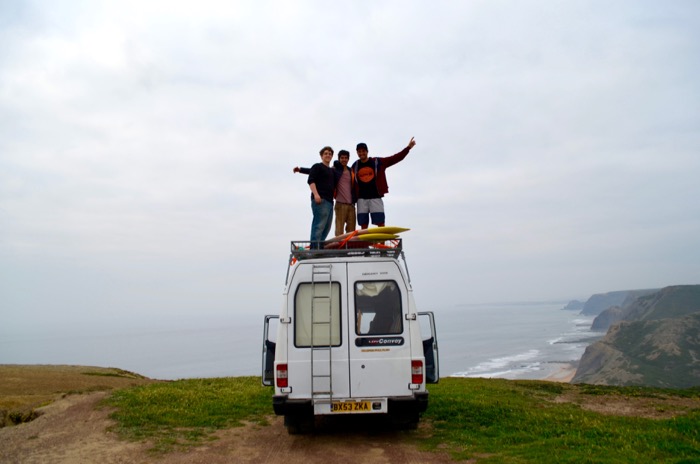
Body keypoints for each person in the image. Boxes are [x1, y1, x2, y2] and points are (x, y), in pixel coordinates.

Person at [352, 137, 416, 229]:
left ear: (367, 151)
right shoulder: (355, 166)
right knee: (363, 224)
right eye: (359, 151)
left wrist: (408, 148)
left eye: (363, 151)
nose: (361, 153)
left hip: (375, 197)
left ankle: (381, 238)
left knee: (380, 223)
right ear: (357, 153)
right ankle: (364, 239)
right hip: (361, 199)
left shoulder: (377, 162)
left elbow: (395, 158)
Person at [294, 149, 356, 237]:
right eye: (342, 158)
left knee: (336, 229)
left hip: (342, 203)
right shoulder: (332, 170)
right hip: (332, 202)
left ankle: (322, 245)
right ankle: (318, 245)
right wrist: (300, 170)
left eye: (346, 158)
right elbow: (314, 171)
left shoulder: (348, 171)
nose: (344, 160)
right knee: (327, 228)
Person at [306, 146, 335, 247]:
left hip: (330, 202)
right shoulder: (317, 166)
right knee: (319, 226)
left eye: (330, 154)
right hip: (320, 200)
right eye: (326, 153)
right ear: (321, 156)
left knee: (327, 227)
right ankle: (314, 249)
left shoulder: (331, 171)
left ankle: (319, 248)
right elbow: (311, 180)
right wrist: (316, 194)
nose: (328, 155)